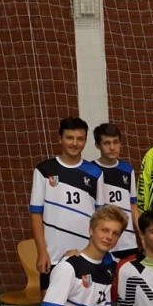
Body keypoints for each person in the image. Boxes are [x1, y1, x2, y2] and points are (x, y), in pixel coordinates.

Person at [30, 117, 104, 291]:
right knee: (49, 305)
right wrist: (42, 251)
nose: (75, 143)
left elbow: (100, 217)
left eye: (80, 139)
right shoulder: (43, 170)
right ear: (60, 139)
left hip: (86, 255)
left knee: (84, 305)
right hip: (53, 256)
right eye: (70, 138)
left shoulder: (95, 173)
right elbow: (35, 214)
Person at [92, 123, 139, 260]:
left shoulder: (128, 170)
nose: (112, 147)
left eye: (116, 142)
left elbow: (133, 205)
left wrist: (140, 233)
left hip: (128, 241)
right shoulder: (90, 171)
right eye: (107, 143)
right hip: (103, 241)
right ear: (97, 145)